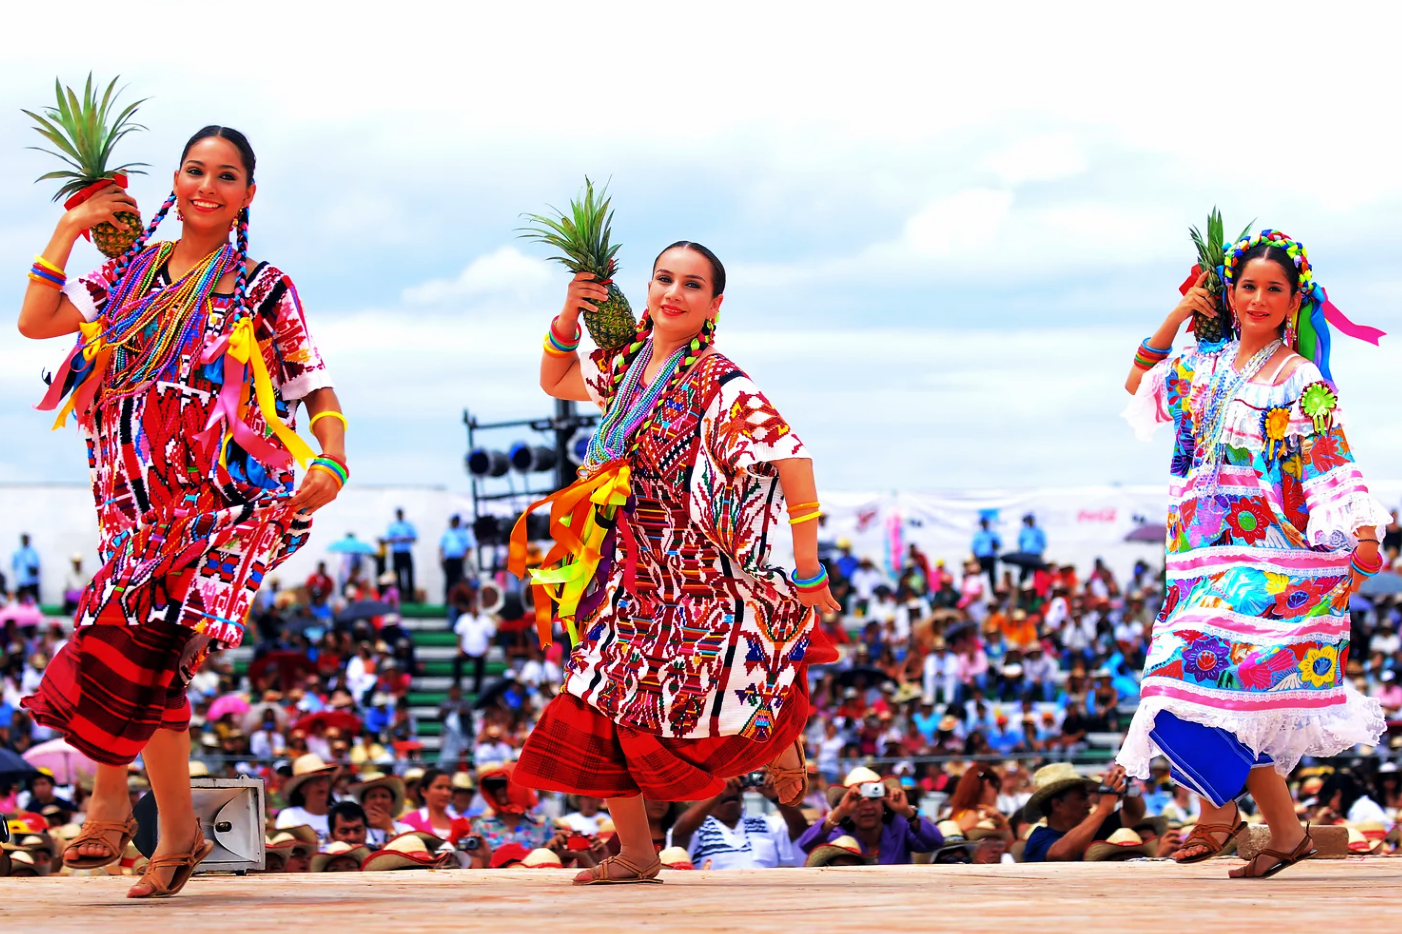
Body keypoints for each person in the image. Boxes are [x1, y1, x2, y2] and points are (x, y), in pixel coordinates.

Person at [18, 126, 345, 898]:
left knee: (142, 642)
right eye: (196, 170)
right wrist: (70, 227)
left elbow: (311, 387)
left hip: (233, 505)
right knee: (153, 664)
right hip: (135, 513)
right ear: (174, 179)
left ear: (247, 195)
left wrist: (330, 454)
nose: (208, 185)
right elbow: (37, 321)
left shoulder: (264, 287)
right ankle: (179, 834)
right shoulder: (127, 275)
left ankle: (108, 805)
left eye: (226, 175)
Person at [511, 241, 841, 885]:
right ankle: (637, 852)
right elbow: (555, 380)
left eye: (692, 285)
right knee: (594, 703)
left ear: (714, 304)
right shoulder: (630, 366)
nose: (673, 293)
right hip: (633, 574)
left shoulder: (721, 381)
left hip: (703, 577)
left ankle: (779, 726)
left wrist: (806, 567)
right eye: (664, 278)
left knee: (719, 691)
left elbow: (793, 459)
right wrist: (567, 318)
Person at [1118, 230, 1388, 878]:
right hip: (1200, 558)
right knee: (1209, 697)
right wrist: (1184, 311)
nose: (1259, 299)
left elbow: (1332, 456)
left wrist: (1365, 533)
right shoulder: (1199, 366)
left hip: (1270, 559)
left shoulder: (1302, 381)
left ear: (1296, 301)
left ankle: (1226, 815)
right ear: (1228, 294)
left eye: (1274, 289)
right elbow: (1137, 384)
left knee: (1176, 685)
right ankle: (1276, 829)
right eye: (1248, 287)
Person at [796, 768, 943, 864]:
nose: (866, 806)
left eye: (873, 797)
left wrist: (907, 812)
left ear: (883, 802)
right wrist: (840, 811)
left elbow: (935, 842)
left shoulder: (899, 826)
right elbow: (805, 844)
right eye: (857, 799)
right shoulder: (838, 833)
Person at [671, 774, 803, 870]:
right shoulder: (697, 829)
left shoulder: (767, 823)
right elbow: (679, 834)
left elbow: (802, 833)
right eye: (727, 790)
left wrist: (777, 797)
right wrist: (719, 790)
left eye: (736, 789)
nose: (731, 793)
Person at [1021, 763, 1144, 862]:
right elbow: (1060, 854)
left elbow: (1133, 814)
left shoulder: (1094, 828)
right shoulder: (1039, 838)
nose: (1089, 804)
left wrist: (1127, 783)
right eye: (1082, 798)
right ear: (1057, 805)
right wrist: (1103, 809)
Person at [276, 753, 338, 844]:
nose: (322, 784)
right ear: (302, 788)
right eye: (315, 780)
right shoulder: (288, 816)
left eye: (325, 779)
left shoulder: (339, 816)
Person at [400, 767, 472, 845]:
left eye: (449, 788)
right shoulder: (411, 820)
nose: (445, 793)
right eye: (439, 787)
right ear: (423, 791)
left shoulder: (460, 821)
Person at [350, 772, 414, 849]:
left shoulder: (406, 830)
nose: (379, 801)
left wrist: (389, 828)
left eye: (384, 796)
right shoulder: (354, 831)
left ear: (392, 803)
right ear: (363, 804)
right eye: (373, 796)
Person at [452, 591, 495, 694]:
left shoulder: (486, 620)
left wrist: (488, 649)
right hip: (466, 650)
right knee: (457, 661)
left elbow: (492, 635)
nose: (474, 609)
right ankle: (457, 685)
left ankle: (476, 689)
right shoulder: (464, 619)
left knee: (480, 665)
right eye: (473, 607)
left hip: (480, 652)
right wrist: (459, 648)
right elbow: (459, 634)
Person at [439, 515, 472, 605]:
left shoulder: (462, 533)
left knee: (459, 580)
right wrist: (441, 558)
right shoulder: (447, 533)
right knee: (449, 580)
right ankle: (447, 599)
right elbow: (441, 546)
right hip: (449, 560)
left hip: (458, 560)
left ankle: (459, 600)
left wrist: (465, 557)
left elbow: (468, 546)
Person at [386, 509, 417, 601]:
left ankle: (411, 596)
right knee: (397, 575)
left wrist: (406, 539)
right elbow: (388, 539)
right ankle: (399, 595)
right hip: (397, 553)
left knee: (409, 574)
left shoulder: (408, 525)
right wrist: (397, 539)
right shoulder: (392, 526)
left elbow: (414, 538)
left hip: (406, 552)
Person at [971, 518, 1001, 591]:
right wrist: (975, 561)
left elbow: (998, 546)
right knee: (980, 578)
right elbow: (974, 548)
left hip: (990, 557)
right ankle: (979, 593)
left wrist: (995, 545)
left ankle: (994, 593)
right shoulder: (978, 534)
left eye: (985, 522)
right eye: (983, 523)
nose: (984, 524)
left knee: (992, 578)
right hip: (981, 558)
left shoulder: (993, 534)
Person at [11, 534, 41, 603]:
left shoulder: (33, 552)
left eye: (26, 539)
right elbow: (14, 565)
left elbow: (37, 565)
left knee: (34, 597)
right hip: (22, 578)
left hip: (32, 579)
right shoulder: (17, 552)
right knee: (21, 597)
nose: (25, 541)